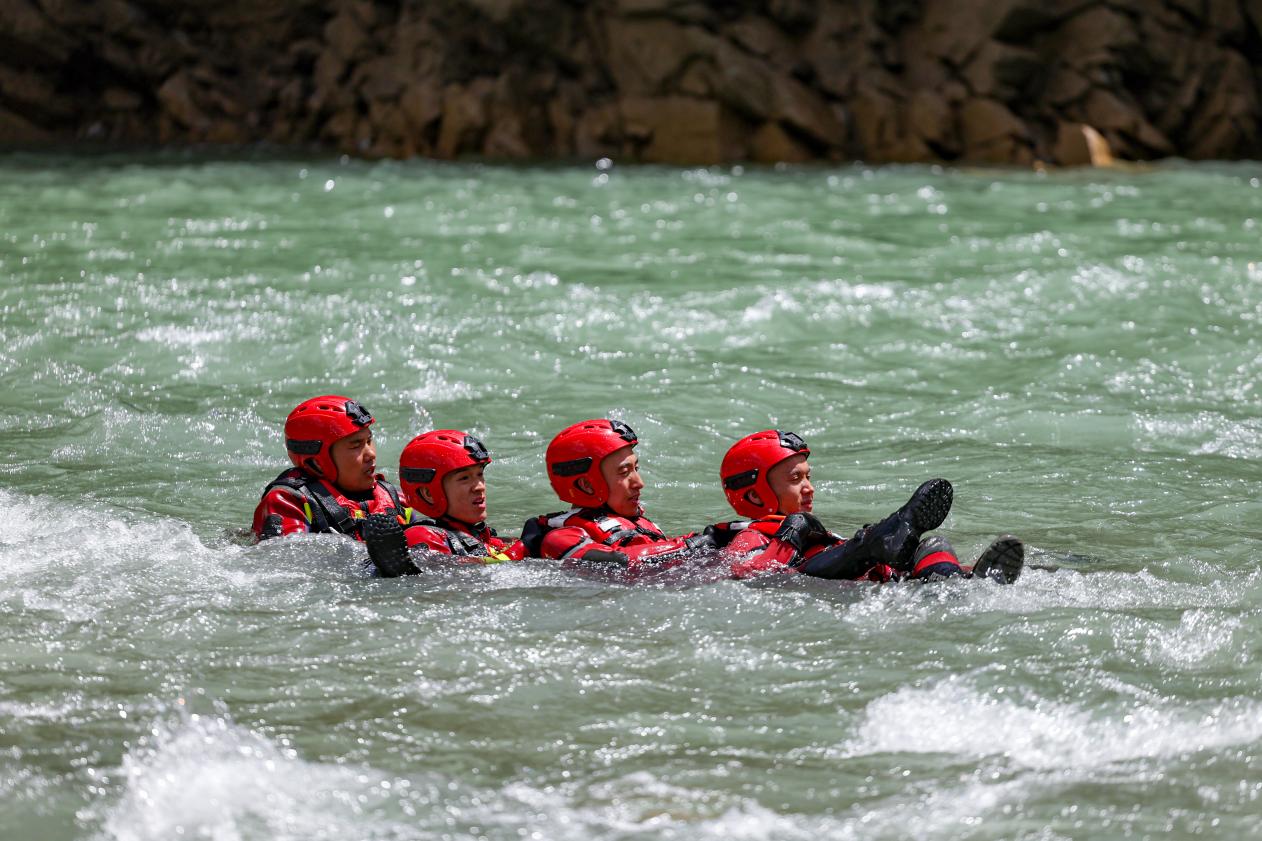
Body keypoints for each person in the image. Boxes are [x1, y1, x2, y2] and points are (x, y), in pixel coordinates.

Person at [715, 429, 1024, 583]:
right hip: (818, 578)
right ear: (755, 496)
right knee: (877, 545)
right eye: (795, 479)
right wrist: (792, 531)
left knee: (933, 544)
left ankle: (960, 582)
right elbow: (748, 574)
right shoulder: (753, 534)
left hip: (874, 580)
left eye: (809, 477)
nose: (809, 487)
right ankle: (882, 539)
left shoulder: (821, 533)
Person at [518, 419, 713, 575]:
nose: (639, 482)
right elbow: (621, 561)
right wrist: (694, 545)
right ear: (586, 485)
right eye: (624, 472)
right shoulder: (559, 538)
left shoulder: (639, 525)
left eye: (636, 468)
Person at [360, 430, 526, 577]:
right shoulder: (422, 536)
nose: (479, 486)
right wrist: (521, 549)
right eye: (464, 478)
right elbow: (460, 574)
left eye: (479, 474)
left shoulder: (485, 537)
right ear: (428, 494)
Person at [252, 395, 409, 541]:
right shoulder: (286, 502)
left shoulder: (394, 499)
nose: (371, 454)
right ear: (316, 462)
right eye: (356, 445)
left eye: (369, 441)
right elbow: (286, 563)